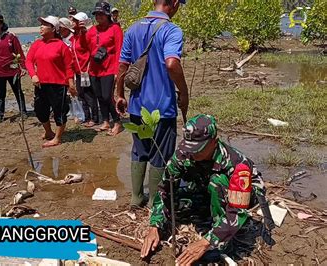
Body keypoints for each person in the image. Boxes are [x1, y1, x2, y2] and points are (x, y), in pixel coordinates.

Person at [140, 114, 273, 265]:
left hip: (244, 195)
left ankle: (223, 244)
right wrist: (154, 226)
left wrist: (206, 242)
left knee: (217, 183)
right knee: (180, 200)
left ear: (214, 142)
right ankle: (207, 209)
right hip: (204, 186)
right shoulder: (185, 154)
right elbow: (165, 191)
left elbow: (236, 211)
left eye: (199, 149)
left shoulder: (236, 164)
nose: (193, 153)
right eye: (190, 148)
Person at [116, 0, 188, 208]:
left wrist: (120, 94)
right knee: (160, 153)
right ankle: (155, 203)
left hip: (137, 105)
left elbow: (123, 65)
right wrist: (183, 92)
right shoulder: (171, 30)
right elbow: (172, 63)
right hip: (162, 107)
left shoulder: (133, 29)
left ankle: (136, 197)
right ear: (173, 3)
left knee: (139, 150)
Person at [25, 16, 76, 148]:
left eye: (45, 24)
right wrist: (33, 75)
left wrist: (71, 84)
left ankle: (57, 138)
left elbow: (69, 66)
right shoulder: (37, 44)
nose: (41, 26)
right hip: (41, 84)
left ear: (53, 29)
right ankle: (48, 131)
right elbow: (28, 61)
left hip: (59, 84)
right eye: (41, 24)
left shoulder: (61, 46)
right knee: (40, 110)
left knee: (59, 111)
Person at [83, 1, 123, 135]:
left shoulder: (115, 29)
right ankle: (106, 121)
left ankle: (117, 121)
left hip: (109, 68)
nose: (99, 17)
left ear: (107, 15)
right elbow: (86, 48)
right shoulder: (92, 31)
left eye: (101, 14)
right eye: (97, 14)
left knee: (107, 96)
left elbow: (119, 50)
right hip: (94, 69)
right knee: (99, 96)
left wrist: (118, 70)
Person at [70, 12, 98, 127]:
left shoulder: (85, 36)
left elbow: (92, 49)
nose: (72, 22)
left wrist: (84, 30)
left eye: (75, 21)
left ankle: (95, 118)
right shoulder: (74, 37)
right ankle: (86, 117)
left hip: (86, 70)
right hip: (78, 71)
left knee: (89, 94)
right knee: (81, 94)